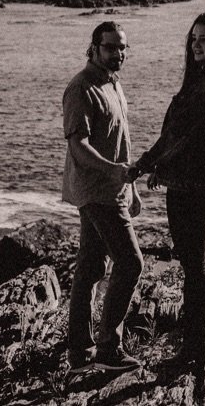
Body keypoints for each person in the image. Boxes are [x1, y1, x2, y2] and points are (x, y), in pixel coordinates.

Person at [130, 12, 205, 375]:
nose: (196, 44)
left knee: (193, 268)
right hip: (202, 183)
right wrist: (150, 164)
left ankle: (195, 349)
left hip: (192, 186)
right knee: (198, 263)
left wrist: (152, 166)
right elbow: (182, 139)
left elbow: (186, 140)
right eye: (193, 38)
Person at [62, 21, 144, 372]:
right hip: (97, 193)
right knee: (131, 263)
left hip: (113, 189)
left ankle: (79, 351)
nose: (118, 53)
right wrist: (113, 172)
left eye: (123, 47)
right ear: (93, 48)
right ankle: (108, 347)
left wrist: (133, 188)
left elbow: (120, 141)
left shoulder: (114, 84)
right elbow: (78, 147)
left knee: (91, 268)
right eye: (111, 47)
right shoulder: (81, 88)